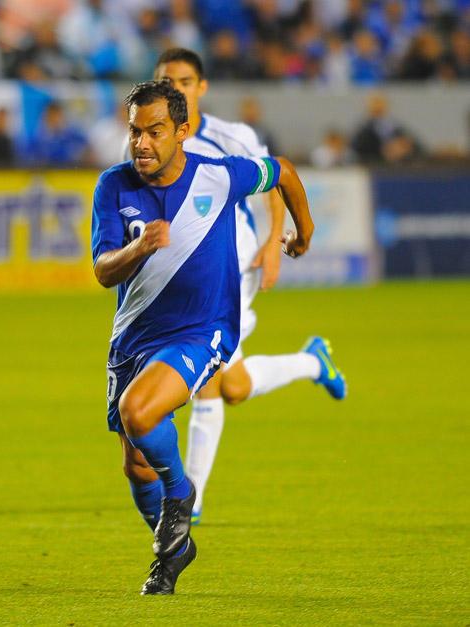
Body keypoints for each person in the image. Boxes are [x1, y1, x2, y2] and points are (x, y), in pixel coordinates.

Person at [94, 79, 315, 595]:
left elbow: (282, 170)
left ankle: (181, 494)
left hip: (203, 329)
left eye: (154, 131)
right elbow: (104, 271)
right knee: (134, 462)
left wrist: (303, 233)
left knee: (139, 411)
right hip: (134, 337)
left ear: (182, 132)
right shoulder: (114, 185)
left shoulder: (217, 177)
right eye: (134, 132)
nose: (142, 143)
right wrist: (139, 250)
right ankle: (171, 553)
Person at [148, 48, 347, 526]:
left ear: (202, 87)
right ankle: (310, 361)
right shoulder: (147, 142)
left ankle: (189, 501)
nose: (176, 88)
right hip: (183, 274)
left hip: (233, 267)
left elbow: (274, 180)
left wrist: (272, 243)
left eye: (185, 80)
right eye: (167, 80)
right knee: (231, 386)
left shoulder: (229, 136)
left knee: (208, 383)